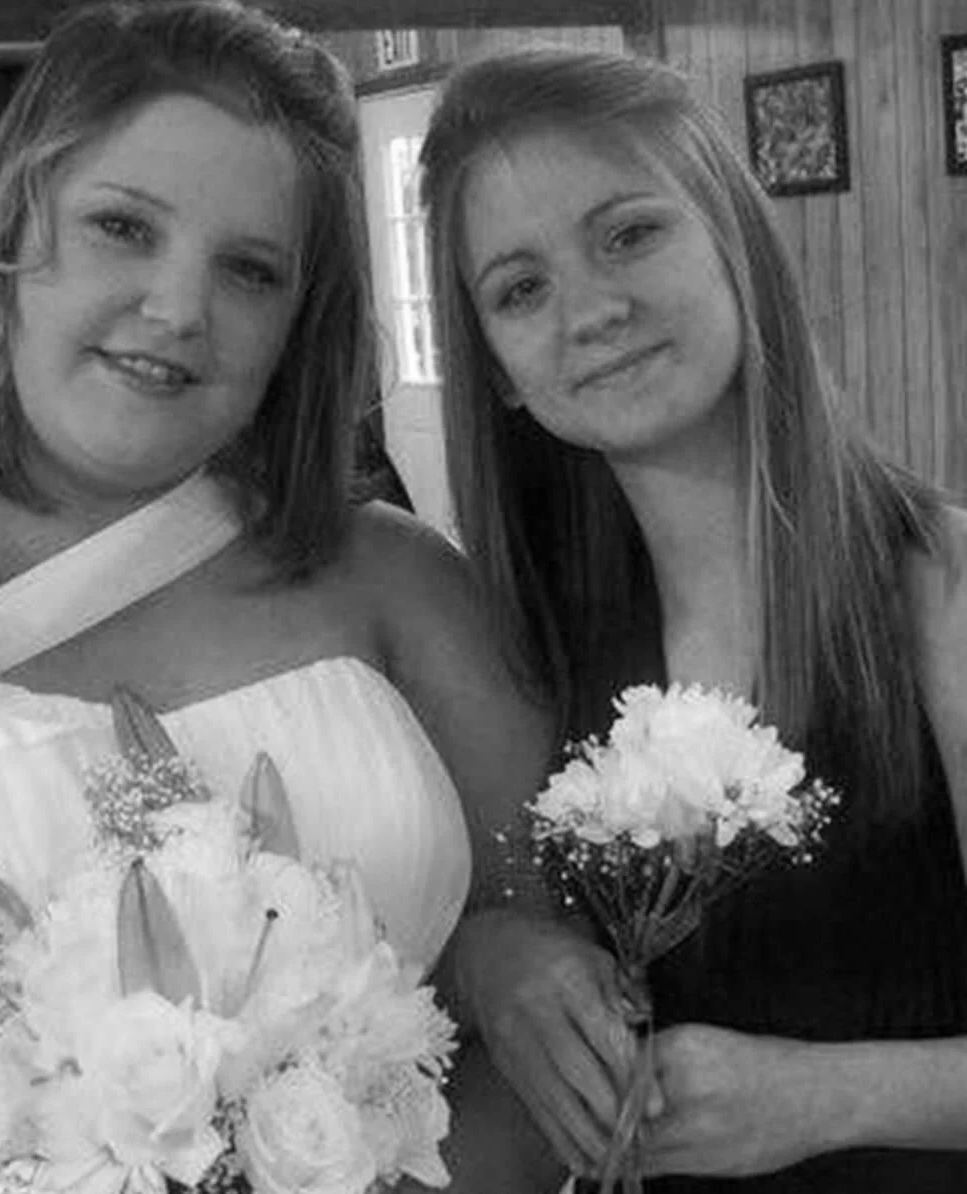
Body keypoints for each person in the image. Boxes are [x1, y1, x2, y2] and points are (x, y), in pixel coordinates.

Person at [0, 3, 555, 1191]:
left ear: (301, 322)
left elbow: (567, 1017)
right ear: (10, 231)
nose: (180, 308)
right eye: (122, 227)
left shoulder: (403, 586)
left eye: (250, 270)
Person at [419, 44, 967, 1193]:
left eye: (628, 233)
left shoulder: (943, 586)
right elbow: (486, 919)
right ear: (501, 370)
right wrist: (490, 958)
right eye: (521, 289)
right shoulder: (530, 644)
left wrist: (823, 1097)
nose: (592, 311)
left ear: (737, 239)